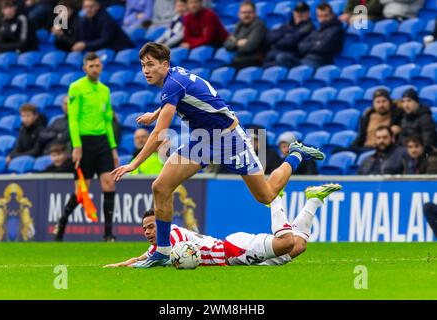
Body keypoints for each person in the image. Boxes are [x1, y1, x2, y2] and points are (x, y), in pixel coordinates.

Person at [110, 42, 325, 267]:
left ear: (165, 65)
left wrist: (133, 164)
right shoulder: (174, 78)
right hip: (203, 140)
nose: (146, 70)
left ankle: (296, 154)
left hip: (231, 140)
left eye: (151, 65)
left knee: (267, 195)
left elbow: (158, 134)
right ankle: (162, 252)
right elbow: (180, 97)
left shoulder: (172, 83)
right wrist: (155, 114)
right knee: (160, 187)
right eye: (143, 65)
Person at [104, 183, 342, 268]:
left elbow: (151, 258)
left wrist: (132, 266)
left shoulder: (173, 234)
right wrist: (123, 264)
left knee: (285, 242)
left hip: (231, 249)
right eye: (144, 229)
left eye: (151, 227)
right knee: (298, 245)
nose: (147, 232)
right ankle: (313, 200)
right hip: (234, 262)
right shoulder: (162, 245)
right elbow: (145, 257)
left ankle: (274, 196)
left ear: (162, 224)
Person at [53, 52, 119, 242]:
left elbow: (108, 121)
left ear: (101, 67)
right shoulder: (76, 87)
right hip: (84, 143)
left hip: (102, 142)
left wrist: (113, 148)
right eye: (91, 66)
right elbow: (72, 119)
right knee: (82, 191)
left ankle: (108, 234)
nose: (95, 69)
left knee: (109, 182)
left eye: (97, 65)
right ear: (84, 68)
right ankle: (62, 223)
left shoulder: (105, 90)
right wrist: (77, 146)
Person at [276, 3, 344, 68]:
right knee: (281, 58)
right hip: (305, 59)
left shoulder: (336, 29)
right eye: (320, 16)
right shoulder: (317, 29)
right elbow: (301, 46)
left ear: (332, 15)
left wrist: (311, 44)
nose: (323, 19)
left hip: (320, 62)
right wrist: (316, 43)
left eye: (326, 15)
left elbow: (323, 47)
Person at [351, 89, 403, 153]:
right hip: (364, 147)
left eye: (384, 101)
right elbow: (361, 137)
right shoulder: (368, 116)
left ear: (389, 102)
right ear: (373, 104)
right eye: (378, 102)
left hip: (381, 149)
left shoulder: (397, 116)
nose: (381, 105)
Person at [264, 1, 314, 68]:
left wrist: (280, 39)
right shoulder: (287, 25)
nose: (299, 14)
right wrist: (284, 36)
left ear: (308, 13)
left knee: (280, 59)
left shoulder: (308, 27)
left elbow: (291, 42)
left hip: (292, 55)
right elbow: (269, 37)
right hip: (275, 54)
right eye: (297, 11)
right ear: (293, 12)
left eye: (303, 12)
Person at [223, 1, 267, 70]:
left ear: (255, 13)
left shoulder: (259, 26)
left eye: (249, 12)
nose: (246, 15)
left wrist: (235, 41)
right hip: (237, 61)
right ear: (239, 14)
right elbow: (227, 45)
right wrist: (239, 43)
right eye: (243, 12)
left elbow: (249, 47)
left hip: (253, 62)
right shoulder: (239, 25)